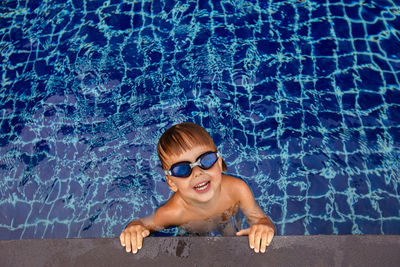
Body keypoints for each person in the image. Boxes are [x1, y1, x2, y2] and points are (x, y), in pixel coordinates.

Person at [120, 122, 275, 254]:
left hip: (227, 220)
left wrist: (263, 227)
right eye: (182, 169)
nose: (197, 173)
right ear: (172, 183)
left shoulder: (237, 189)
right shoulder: (173, 213)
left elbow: (260, 219)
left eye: (206, 160)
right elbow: (142, 225)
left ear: (219, 162)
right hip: (193, 230)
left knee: (235, 242)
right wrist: (134, 228)